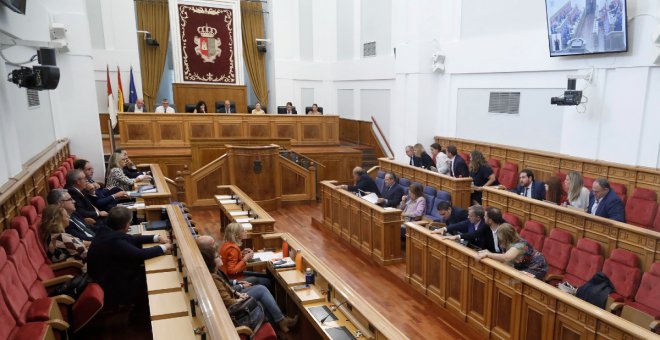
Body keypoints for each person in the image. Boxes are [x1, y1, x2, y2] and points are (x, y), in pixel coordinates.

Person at [197, 235, 298, 333]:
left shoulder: (212, 269)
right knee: (262, 288)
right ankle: (280, 321)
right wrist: (239, 297)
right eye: (213, 245)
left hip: (234, 293)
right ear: (209, 258)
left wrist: (237, 290)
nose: (219, 255)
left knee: (261, 282)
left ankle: (279, 321)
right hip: (234, 308)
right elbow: (227, 299)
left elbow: (225, 284)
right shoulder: (213, 275)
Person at [87, 206, 172, 307]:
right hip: (113, 286)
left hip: (111, 274)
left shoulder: (106, 231)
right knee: (154, 279)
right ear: (126, 225)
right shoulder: (113, 240)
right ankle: (143, 312)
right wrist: (165, 247)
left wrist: (156, 238)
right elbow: (140, 255)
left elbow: (131, 239)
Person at [476, 223, 548, 279]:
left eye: (500, 236)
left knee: (517, 281)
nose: (499, 238)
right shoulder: (504, 243)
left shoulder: (520, 244)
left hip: (536, 266)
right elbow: (506, 261)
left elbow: (507, 257)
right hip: (522, 265)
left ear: (506, 236)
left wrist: (488, 254)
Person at [219, 223, 271, 287]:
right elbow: (232, 271)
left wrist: (241, 254)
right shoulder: (233, 249)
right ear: (236, 235)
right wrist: (245, 259)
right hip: (234, 279)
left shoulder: (226, 244)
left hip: (232, 276)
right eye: (243, 231)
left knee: (265, 275)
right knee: (268, 281)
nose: (245, 231)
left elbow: (231, 260)